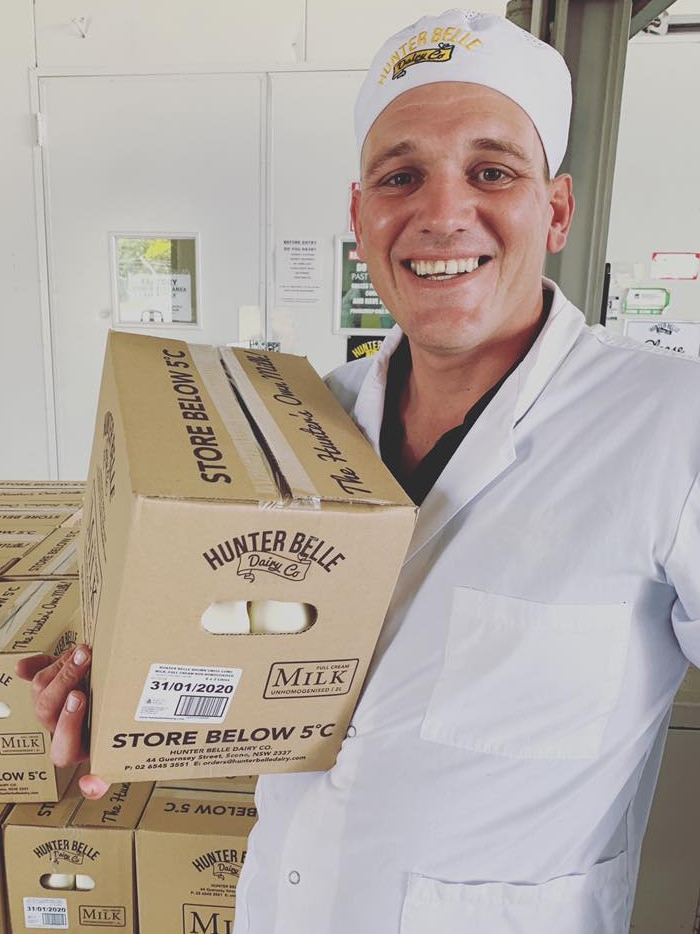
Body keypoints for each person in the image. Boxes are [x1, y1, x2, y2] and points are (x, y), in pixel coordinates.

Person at [17, 10, 700, 933]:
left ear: (558, 209)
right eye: (401, 176)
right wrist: (126, 691)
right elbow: (250, 655)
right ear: (358, 214)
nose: (443, 212)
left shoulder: (670, 425)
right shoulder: (296, 423)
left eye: (493, 171)